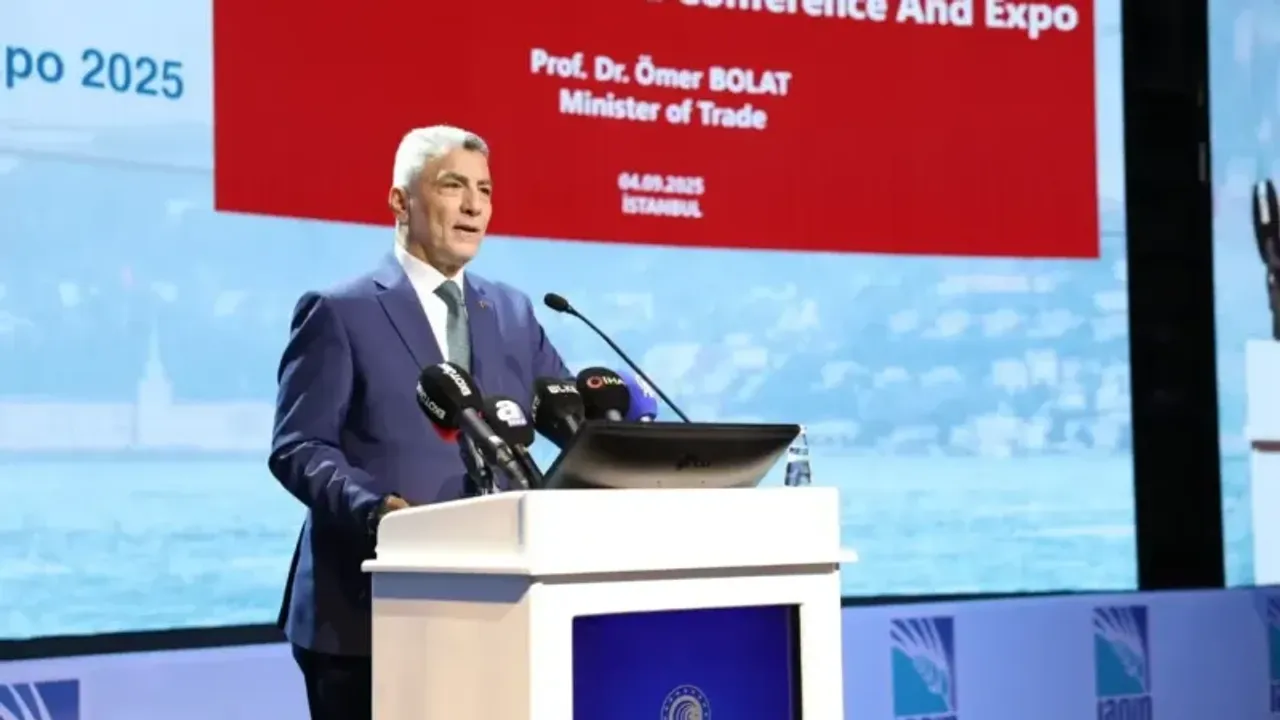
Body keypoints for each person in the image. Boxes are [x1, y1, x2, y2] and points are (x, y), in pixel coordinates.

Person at [269, 125, 571, 720]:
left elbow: (568, 417)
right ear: (400, 201)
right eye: (453, 185)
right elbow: (299, 446)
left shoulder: (512, 312)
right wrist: (378, 510)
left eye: (485, 189)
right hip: (366, 615)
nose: (474, 205)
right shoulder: (340, 311)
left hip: (494, 606)